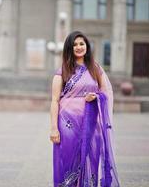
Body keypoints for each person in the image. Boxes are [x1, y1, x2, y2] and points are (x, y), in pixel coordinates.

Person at [50, 31, 120, 187]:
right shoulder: (63, 70)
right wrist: (54, 129)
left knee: (91, 159)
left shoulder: (95, 68)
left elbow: (106, 92)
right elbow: (54, 101)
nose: (78, 47)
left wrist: (96, 97)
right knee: (68, 162)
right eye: (74, 44)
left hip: (91, 124)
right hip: (67, 124)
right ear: (69, 48)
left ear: (87, 46)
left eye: (81, 43)